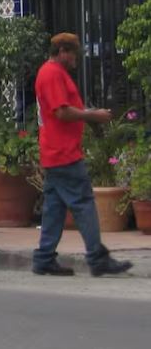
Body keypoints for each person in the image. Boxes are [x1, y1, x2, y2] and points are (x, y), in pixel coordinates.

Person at [32, 33, 133, 277]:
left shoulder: (51, 73)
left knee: (55, 208)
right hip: (63, 152)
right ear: (63, 51)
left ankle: (44, 258)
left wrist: (90, 114)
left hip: (56, 151)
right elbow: (62, 113)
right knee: (84, 202)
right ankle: (97, 258)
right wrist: (92, 115)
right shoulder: (52, 74)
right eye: (75, 53)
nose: (77, 59)